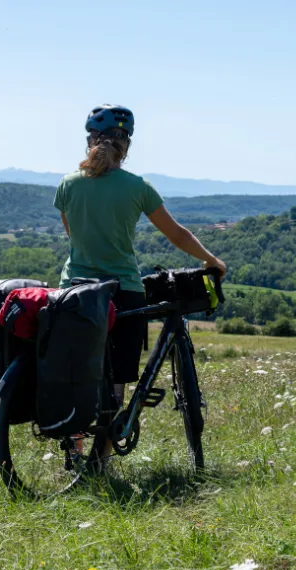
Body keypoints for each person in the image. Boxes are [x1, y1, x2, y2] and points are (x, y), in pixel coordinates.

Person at [54, 104, 226, 459]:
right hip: (123, 293)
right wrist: (212, 261)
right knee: (115, 381)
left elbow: (73, 237)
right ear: (126, 145)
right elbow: (177, 235)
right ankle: (101, 463)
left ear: (90, 140)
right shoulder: (138, 187)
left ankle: (74, 457)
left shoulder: (68, 185)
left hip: (75, 291)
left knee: (76, 375)